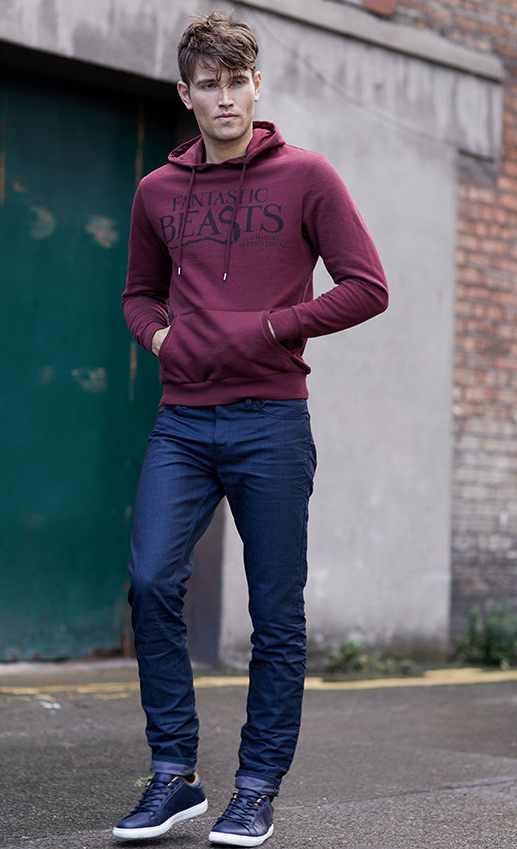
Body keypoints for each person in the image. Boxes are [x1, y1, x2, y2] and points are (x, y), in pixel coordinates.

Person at [112, 11, 388, 847]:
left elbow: (367, 286)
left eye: (238, 82)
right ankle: (174, 775)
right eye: (210, 84)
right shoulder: (157, 191)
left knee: (275, 611)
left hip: (271, 419)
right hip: (184, 421)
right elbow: (139, 293)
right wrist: (163, 340)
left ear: (257, 86)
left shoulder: (307, 176)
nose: (225, 97)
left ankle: (257, 787)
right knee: (151, 582)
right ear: (186, 93)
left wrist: (272, 327)